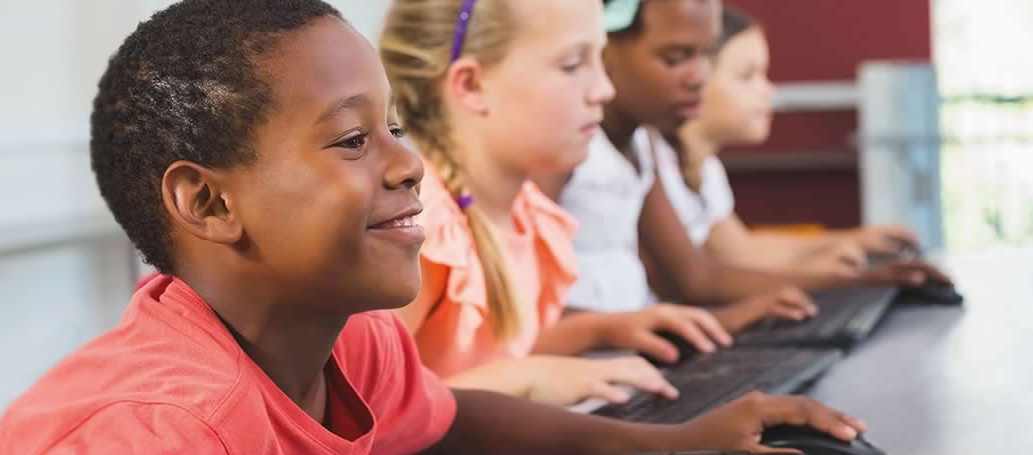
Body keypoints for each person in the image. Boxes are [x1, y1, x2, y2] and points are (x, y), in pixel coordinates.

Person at [0, 1, 866, 453]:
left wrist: (675, 444)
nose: (407, 165)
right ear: (209, 203)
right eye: (352, 139)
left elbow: (454, 423)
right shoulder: (162, 430)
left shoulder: (345, 341)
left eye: (396, 127)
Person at [376, 0, 734, 406]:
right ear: (472, 85)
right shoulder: (426, 227)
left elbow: (498, 353)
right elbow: (374, 406)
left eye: (598, 59)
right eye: (572, 64)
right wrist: (525, 381)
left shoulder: (525, 214)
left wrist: (602, 330)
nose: (604, 89)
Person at [542, 0, 947, 317]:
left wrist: (862, 281)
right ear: (605, 50)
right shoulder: (567, 144)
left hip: (624, 359)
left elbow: (694, 273)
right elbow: (527, 308)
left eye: (704, 56)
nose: (698, 76)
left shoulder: (640, 145)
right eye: (675, 57)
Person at [665, 7, 931, 281]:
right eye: (747, 76)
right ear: (694, 79)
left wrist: (856, 239)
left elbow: (741, 250)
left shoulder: (705, 169)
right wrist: (821, 273)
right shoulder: (658, 169)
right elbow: (701, 279)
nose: (768, 90)